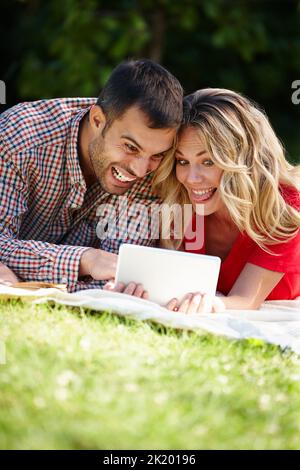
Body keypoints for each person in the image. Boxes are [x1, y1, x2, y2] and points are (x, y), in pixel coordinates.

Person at [0, 59, 183, 292]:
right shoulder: (20, 138)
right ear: (97, 120)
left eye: (156, 155)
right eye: (130, 147)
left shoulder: (154, 173)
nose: (140, 170)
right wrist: (85, 260)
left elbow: (114, 279)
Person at [110, 89, 300, 312]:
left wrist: (208, 305)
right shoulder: (179, 200)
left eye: (208, 162)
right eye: (182, 161)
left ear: (243, 160)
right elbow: (168, 283)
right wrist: (135, 289)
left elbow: (245, 300)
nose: (191, 179)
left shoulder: (283, 207)